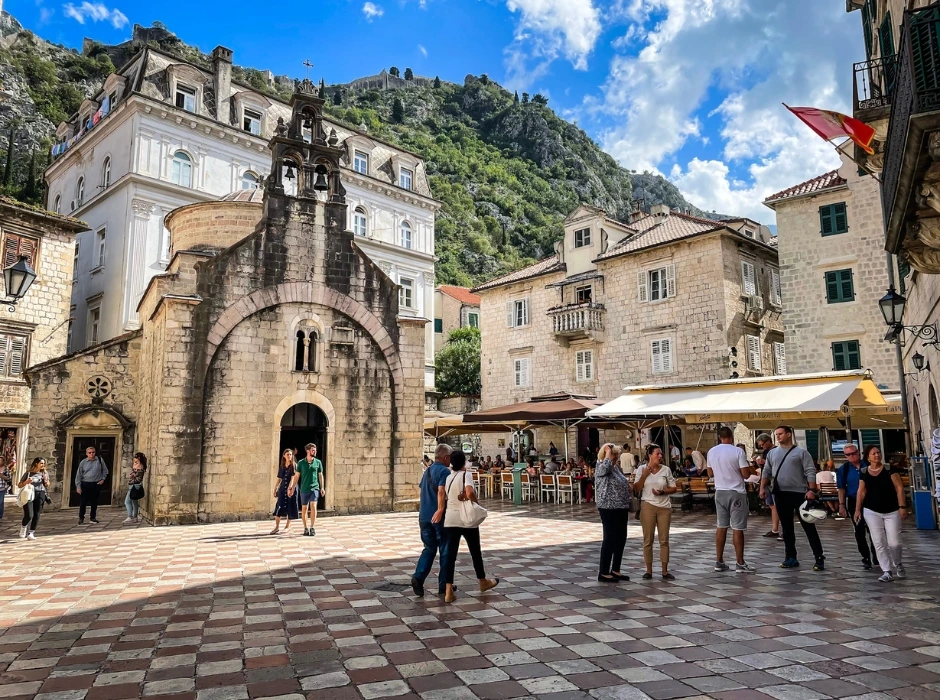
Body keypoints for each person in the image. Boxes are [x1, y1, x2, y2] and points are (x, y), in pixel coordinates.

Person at [760, 426, 825, 570]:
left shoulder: (801, 452)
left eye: (781, 433)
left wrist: (811, 490)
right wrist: (762, 488)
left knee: (808, 526)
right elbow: (767, 471)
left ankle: (819, 557)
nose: (778, 436)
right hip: (781, 493)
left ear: (789, 434)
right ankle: (790, 557)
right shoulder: (772, 453)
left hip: (800, 493)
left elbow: (810, 471)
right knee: (787, 527)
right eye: (776, 434)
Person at [441, 450, 499, 603]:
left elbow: (447, 496)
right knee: (475, 551)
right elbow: (469, 491)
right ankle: (482, 581)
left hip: (450, 519)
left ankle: (448, 590)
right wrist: (475, 502)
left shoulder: (448, 477)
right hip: (466, 519)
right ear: (463, 462)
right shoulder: (466, 474)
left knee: (450, 555)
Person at [707, 427, 757, 573]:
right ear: (731, 436)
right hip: (736, 492)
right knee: (738, 528)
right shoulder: (738, 451)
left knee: (721, 526)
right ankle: (740, 563)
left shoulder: (712, 451)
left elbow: (710, 472)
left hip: (720, 491)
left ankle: (719, 561)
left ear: (719, 437)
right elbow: (746, 475)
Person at [854, 445, 907, 582]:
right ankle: (886, 570)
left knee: (894, 542)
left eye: (878, 452)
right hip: (871, 510)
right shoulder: (864, 472)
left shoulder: (890, 469)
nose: (877, 455)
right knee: (878, 541)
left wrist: (902, 506)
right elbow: (861, 491)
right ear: (868, 457)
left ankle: (898, 563)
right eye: (874, 453)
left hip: (891, 509)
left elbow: (899, 488)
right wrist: (857, 510)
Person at [412, 444, 453, 597]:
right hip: (438, 517)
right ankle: (444, 585)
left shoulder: (427, 471)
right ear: (446, 457)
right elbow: (441, 490)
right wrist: (441, 509)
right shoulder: (443, 471)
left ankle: (418, 577)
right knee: (445, 550)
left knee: (429, 549)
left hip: (424, 517)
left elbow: (423, 490)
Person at [634, 445, 678, 580]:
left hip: (664, 507)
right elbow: (636, 488)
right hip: (648, 505)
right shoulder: (641, 469)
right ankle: (649, 570)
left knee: (664, 540)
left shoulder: (666, 470)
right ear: (650, 455)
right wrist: (644, 475)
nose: (660, 456)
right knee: (648, 540)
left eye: (661, 454)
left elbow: (674, 488)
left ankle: (665, 571)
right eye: (657, 454)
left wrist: (663, 492)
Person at [836, 443, 877, 569]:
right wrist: (841, 505)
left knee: (874, 529)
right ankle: (865, 557)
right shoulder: (844, 469)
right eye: (848, 454)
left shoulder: (868, 465)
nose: (851, 456)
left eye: (853, 453)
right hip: (854, 501)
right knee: (859, 530)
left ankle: (876, 555)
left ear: (858, 452)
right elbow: (841, 488)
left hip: (871, 500)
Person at [595, 444, 631, 583]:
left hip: (620, 507)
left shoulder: (615, 468)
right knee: (610, 537)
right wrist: (608, 454)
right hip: (608, 507)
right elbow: (604, 469)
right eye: (614, 455)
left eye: (616, 455)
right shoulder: (601, 466)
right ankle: (603, 572)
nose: (616, 458)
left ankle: (616, 569)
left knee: (621, 537)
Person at [290, 443, 324, 537]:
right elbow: (297, 476)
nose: (315, 451)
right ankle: (305, 527)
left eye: (315, 450)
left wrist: (322, 487)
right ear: (308, 451)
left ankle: (312, 527)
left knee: (313, 505)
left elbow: (320, 475)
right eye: (313, 450)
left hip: (315, 488)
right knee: (304, 508)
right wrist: (292, 487)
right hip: (304, 488)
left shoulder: (318, 462)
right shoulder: (301, 463)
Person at [756, 433, 781, 540]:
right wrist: (758, 463)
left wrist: (764, 462)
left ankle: (783, 530)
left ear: (768, 441)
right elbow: (764, 469)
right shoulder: (766, 452)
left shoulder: (777, 451)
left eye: (762, 444)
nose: (762, 447)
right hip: (767, 481)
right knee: (772, 505)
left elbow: (776, 464)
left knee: (778, 506)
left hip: (775, 482)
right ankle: (775, 529)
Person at [75, 446, 108, 524]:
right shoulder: (83, 462)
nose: (91, 454)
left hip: (96, 483)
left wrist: (103, 479)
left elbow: (105, 470)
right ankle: (81, 518)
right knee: (83, 502)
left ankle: (93, 517)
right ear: (87, 454)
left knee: (94, 502)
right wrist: (78, 486)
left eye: (93, 452)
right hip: (85, 483)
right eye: (90, 453)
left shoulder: (99, 460)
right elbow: (78, 475)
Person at [18, 458, 50, 539]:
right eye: (41, 463)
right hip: (29, 494)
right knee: (29, 514)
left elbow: (47, 484)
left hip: (40, 493)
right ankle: (24, 527)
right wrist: (26, 482)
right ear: (36, 464)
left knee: (37, 514)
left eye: (43, 464)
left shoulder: (44, 473)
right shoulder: (28, 474)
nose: (43, 465)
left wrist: (45, 481)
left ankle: (31, 533)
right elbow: (19, 485)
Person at [270, 448, 299, 535]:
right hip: (283, 488)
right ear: (284, 456)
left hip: (291, 489)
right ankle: (277, 527)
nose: (289, 456)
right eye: (287, 454)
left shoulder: (294, 465)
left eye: (290, 454)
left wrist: (290, 488)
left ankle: (287, 526)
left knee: (290, 506)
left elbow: (293, 477)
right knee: (279, 506)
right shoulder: (282, 466)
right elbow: (279, 478)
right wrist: (275, 488)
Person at [123, 453, 147, 524]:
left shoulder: (139, 465)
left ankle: (130, 516)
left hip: (134, 485)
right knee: (134, 501)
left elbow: (135, 475)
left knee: (127, 501)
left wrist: (132, 474)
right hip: (137, 485)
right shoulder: (141, 465)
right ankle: (135, 517)